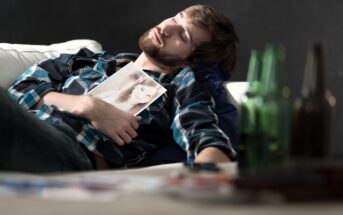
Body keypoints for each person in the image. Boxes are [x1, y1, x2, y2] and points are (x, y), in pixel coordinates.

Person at [0, 4, 239, 172]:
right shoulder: (87, 60)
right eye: (175, 18)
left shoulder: (180, 85)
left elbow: (205, 138)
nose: (166, 28)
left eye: (183, 36)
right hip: (30, 124)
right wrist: (86, 105)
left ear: (190, 60)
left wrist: (207, 179)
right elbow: (20, 90)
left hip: (71, 152)